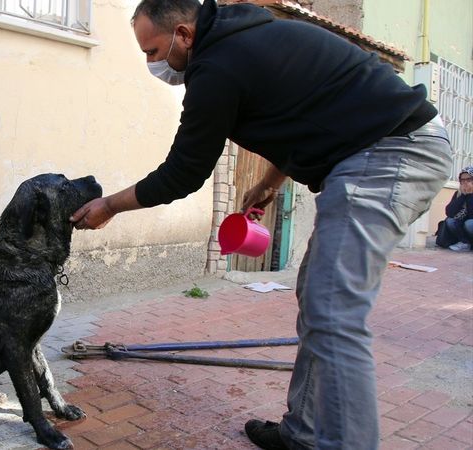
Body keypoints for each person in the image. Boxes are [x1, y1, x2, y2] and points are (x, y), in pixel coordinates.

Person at [69, 1, 453, 448]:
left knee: (335, 312)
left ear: (184, 35)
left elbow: (183, 174)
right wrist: (272, 179)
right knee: (319, 300)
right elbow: (308, 110)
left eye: (153, 51)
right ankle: (305, 435)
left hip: (391, 153)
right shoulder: (245, 39)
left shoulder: (216, 68)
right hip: (378, 148)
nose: (152, 63)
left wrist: (110, 206)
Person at [437, 166, 473, 251]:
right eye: (462, 180)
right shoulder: (459, 193)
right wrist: (463, 196)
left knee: (469, 223)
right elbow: (449, 212)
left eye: (469, 180)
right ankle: (465, 243)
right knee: (450, 221)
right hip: (462, 228)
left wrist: (470, 196)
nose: (465, 183)